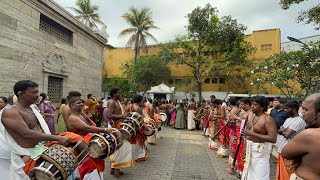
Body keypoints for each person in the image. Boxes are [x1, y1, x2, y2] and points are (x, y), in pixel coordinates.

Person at [1, 80, 70, 179]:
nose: (38, 95)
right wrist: (56, 138)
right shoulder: (10, 112)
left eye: (37, 92)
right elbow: (26, 134)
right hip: (25, 156)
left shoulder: (31, 108)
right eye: (34, 92)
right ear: (21, 94)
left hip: (39, 150)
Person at [66, 96, 116, 179]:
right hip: (83, 148)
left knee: (95, 167)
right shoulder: (73, 118)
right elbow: (87, 128)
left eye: (81, 102)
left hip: (90, 145)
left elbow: (92, 125)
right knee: (90, 168)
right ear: (71, 106)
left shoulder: (81, 115)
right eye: (78, 103)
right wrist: (106, 129)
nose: (81, 104)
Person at [281, 93, 320, 180]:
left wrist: (296, 158)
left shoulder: (309, 135)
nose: (302, 113)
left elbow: (285, 153)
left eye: (306, 110)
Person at [241, 96, 277, 180]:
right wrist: (245, 149)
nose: (252, 106)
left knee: (260, 175)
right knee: (249, 173)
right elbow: (248, 135)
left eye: (255, 105)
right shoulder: (252, 116)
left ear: (263, 107)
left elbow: (273, 138)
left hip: (261, 151)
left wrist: (252, 133)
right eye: (252, 104)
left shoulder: (268, 119)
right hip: (250, 149)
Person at [276, 100, 305, 180]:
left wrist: (283, 130)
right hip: (281, 149)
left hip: (290, 152)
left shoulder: (299, 121)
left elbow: (287, 135)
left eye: (287, 108)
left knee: (288, 175)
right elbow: (280, 130)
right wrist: (284, 130)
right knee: (281, 175)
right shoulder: (288, 119)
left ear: (294, 109)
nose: (285, 110)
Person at [106, 87, 132, 177]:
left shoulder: (117, 101)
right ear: (113, 93)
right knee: (118, 148)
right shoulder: (111, 102)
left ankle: (113, 169)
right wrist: (122, 115)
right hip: (115, 126)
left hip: (118, 125)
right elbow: (108, 115)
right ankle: (116, 169)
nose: (120, 94)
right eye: (119, 92)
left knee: (117, 147)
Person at [129, 94, 148, 162]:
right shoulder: (138, 108)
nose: (143, 102)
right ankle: (139, 156)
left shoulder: (131, 105)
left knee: (135, 141)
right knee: (140, 141)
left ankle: (136, 156)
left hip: (132, 125)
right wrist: (145, 127)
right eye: (142, 100)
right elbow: (140, 120)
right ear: (139, 100)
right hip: (138, 126)